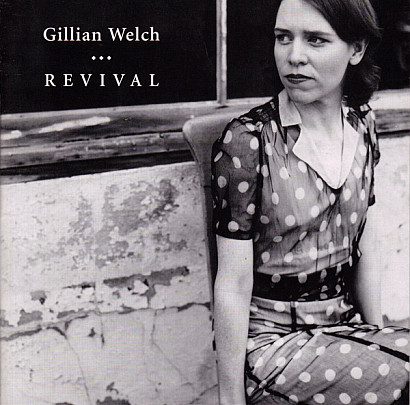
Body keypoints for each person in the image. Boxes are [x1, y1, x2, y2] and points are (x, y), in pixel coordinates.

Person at [211, 0, 409, 404]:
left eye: (315, 40)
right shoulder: (249, 141)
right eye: (283, 38)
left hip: (344, 334)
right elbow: (232, 284)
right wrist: (230, 401)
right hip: (271, 349)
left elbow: (365, 244)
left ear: (356, 49)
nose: (294, 56)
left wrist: (379, 340)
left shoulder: (362, 124)